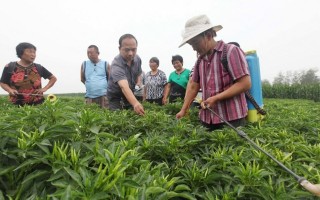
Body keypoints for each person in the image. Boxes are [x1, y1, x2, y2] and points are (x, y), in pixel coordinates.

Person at [176, 15, 251, 131]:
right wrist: (184, 109)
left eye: (195, 43)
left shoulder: (230, 51)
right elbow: (193, 86)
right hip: (207, 119)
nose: (194, 48)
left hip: (231, 119)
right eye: (191, 45)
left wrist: (216, 98)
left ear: (209, 36)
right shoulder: (200, 60)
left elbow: (245, 83)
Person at [107, 34, 145, 115]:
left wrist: (138, 82)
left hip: (130, 92)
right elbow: (124, 87)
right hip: (116, 96)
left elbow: (139, 73)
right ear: (119, 49)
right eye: (127, 50)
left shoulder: (137, 59)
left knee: (133, 115)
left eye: (134, 50)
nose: (131, 53)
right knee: (117, 118)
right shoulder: (116, 64)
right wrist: (135, 103)